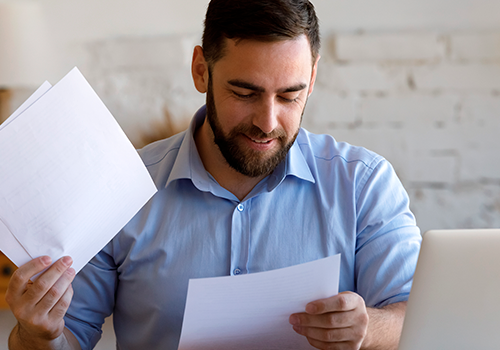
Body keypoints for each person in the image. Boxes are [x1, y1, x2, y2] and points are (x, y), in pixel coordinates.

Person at [6, 0, 421, 349]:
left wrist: (369, 328)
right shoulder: (122, 190)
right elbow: (69, 336)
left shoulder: (364, 185)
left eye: (290, 95)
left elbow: (416, 315)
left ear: (312, 78)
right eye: (245, 93)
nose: (268, 121)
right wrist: (35, 332)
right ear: (201, 70)